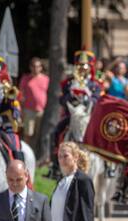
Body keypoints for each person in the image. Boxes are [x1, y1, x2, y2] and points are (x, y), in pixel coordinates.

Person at [49, 48, 102, 179]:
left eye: (85, 67)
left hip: (89, 116)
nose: (82, 69)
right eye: (80, 66)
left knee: (103, 134)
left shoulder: (95, 84)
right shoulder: (69, 82)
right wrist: (71, 95)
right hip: (71, 115)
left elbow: (97, 99)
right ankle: (55, 165)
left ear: (90, 67)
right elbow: (62, 99)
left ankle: (107, 167)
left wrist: (86, 97)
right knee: (56, 132)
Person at [19, 57, 49, 149]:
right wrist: (21, 110)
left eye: (38, 66)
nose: (36, 68)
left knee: (39, 135)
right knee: (28, 134)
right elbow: (20, 94)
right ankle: (26, 153)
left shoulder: (46, 79)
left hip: (42, 111)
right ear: (30, 67)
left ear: (41, 68)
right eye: (34, 66)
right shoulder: (25, 79)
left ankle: (35, 156)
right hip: (29, 110)